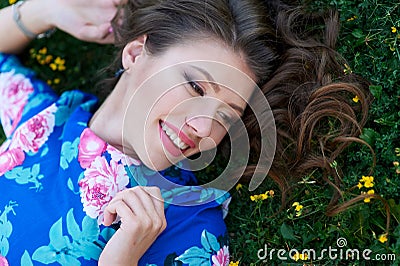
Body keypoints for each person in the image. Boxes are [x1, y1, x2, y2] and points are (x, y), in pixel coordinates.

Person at [0, 0, 370, 265]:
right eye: (195, 87)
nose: (205, 128)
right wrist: (42, 10)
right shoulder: (48, 120)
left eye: (226, 116)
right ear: (134, 54)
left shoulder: (195, 234)